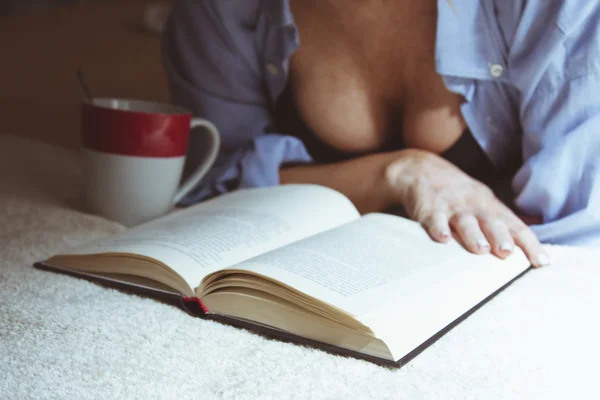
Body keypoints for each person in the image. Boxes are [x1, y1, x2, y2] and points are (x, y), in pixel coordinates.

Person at [161, 0, 600, 268]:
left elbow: (573, 241)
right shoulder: (221, 11)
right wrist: (398, 172)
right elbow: (213, 184)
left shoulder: (561, 7)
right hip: (313, 293)